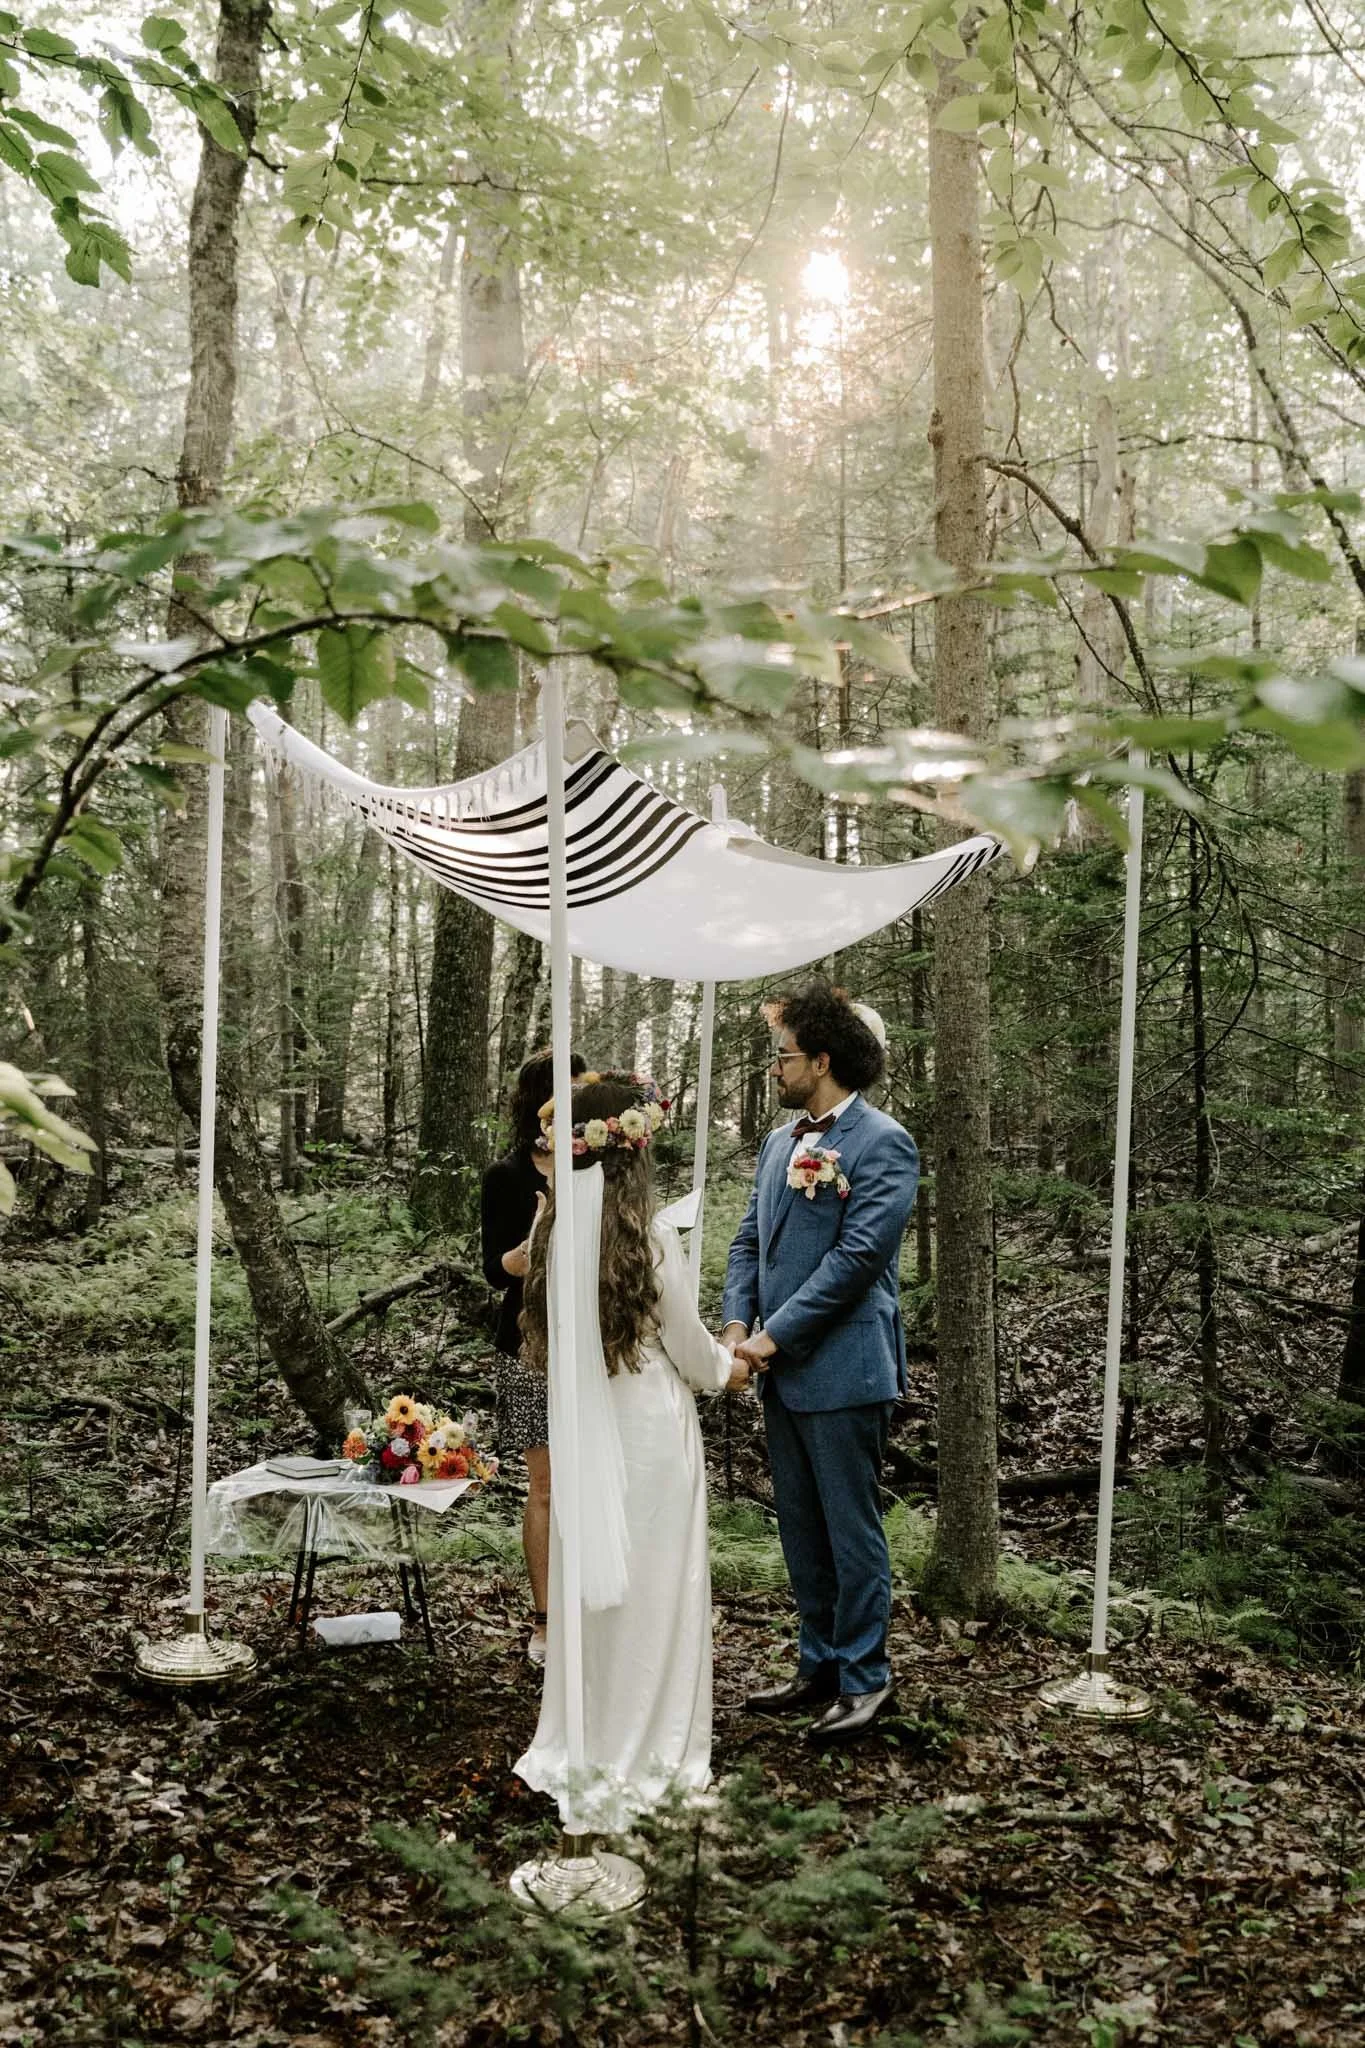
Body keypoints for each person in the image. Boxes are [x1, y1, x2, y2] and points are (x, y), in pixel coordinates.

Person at [514, 1072, 742, 1833]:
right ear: (629, 1150)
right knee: (657, 1592)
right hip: (649, 1434)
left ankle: (588, 1731)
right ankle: (649, 1745)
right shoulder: (648, 1237)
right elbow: (693, 1354)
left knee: (591, 1591)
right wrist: (732, 1361)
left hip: (584, 1426)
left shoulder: (551, 1231)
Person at [722, 983, 918, 1744]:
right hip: (777, 1367)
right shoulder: (780, 1143)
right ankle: (819, 1666)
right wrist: (738, 1320)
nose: (775, 1068)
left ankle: (867, 1680)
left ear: (824, 1061)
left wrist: (773, 1338)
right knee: (800, 1527)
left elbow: (859, 1257)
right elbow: (749, 1242)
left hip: (842, 1368)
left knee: (850, 1529)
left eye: (785, 1056)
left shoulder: (881, 1141)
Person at [481, 1047, 586, 1665]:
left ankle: (592, 1610)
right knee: (544, 1487)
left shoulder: (596, 1163)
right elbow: (499, 1272)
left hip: (595, 1343)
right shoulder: (508, 1176)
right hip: (527, 1345)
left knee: (593, 1478)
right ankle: (546, 1620)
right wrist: (540, 1233)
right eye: (564, 1094)